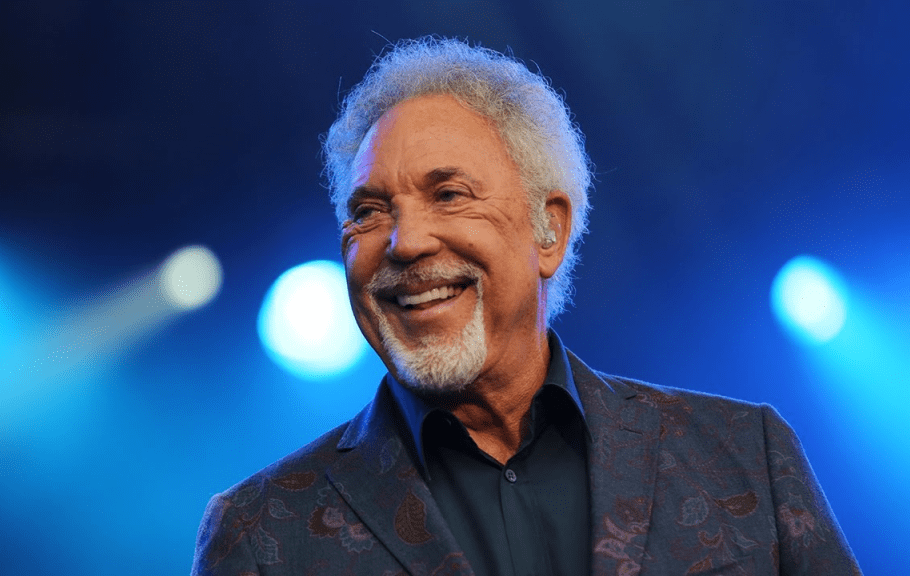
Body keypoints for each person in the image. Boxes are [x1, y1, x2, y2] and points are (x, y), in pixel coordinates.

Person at [192, 37, 861, 576]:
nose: (404, 241)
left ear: (550, 231)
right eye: (368, 211)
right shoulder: (261, 532)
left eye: (448, 194)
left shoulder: (747, 455)